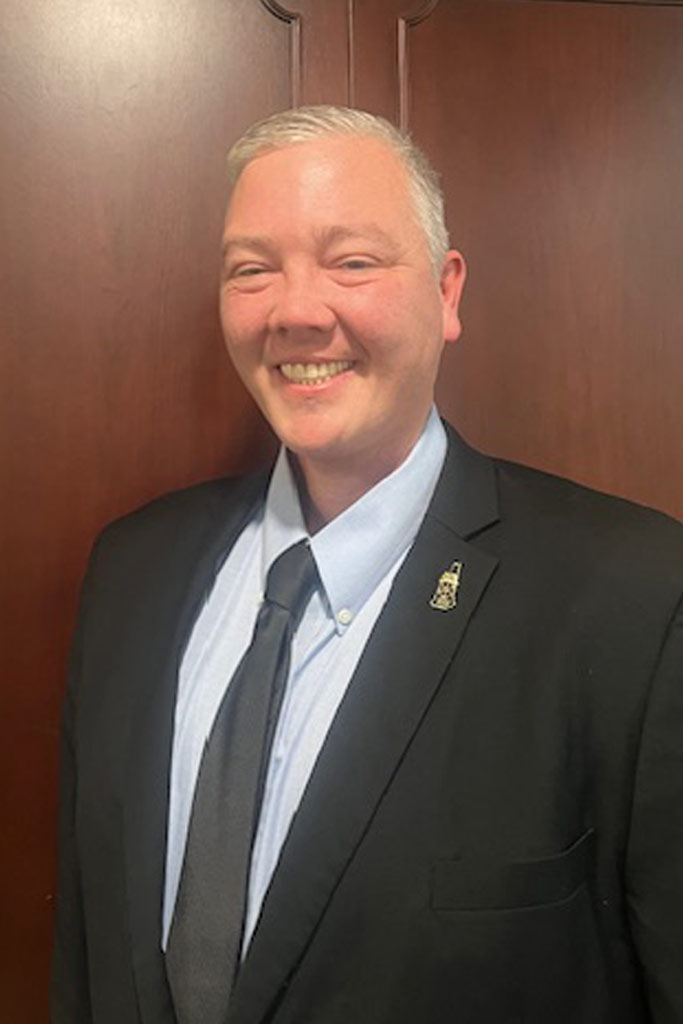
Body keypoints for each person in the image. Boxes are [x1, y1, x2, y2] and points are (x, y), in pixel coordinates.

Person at [52, 106, 683, 1024]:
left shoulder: (634, 598)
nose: (295, 311)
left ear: (446, 291)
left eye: (351, 262)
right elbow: (85, 952)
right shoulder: (131, 573)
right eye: (251, 270)